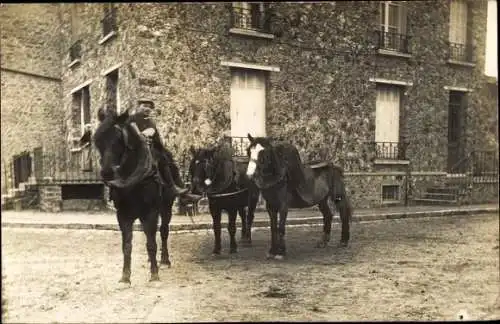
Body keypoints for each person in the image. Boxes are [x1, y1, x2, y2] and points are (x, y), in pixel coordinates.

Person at [129, 101, 200, 200]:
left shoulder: (150, 121)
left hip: (150, 148)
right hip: (133, 148)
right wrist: (140, 135)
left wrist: (160, 147)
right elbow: (132, 131)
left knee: (168, 159)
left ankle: (178, 189)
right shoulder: (132, 118)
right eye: (144, 106)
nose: (147, 109)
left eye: (149, 107)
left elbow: (155, 136)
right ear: (138, 107)